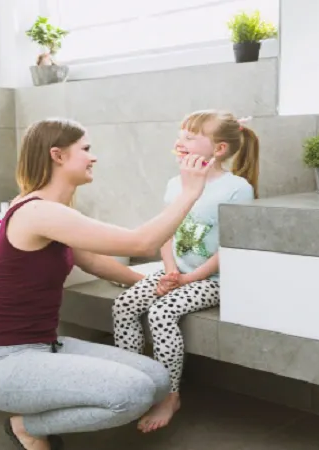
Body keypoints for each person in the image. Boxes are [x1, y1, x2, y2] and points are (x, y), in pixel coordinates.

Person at [0, 117, 215, 450]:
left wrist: (156, 284)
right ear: (58, 155)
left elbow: (95, 263)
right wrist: (190, 191)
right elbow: (141, 244)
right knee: (134, 394)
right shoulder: (39, 212)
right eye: (86, 149)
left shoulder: (52, 212)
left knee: (157, 379)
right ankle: (26, 426)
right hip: (1, 361)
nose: (93, 157)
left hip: (42, 346)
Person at [111, 110, 259, 433]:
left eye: (190, 137)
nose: (181, 141)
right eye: (180, 135)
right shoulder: (174, 183)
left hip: (212, 280)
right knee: (124, 304)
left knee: (161, 313)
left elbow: (230, 249)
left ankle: (170, 395)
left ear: (218, 149)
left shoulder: (237, 189)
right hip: (176, 273)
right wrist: (169, 271)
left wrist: (189, 278)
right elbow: (166, 230)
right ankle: (131, 382)